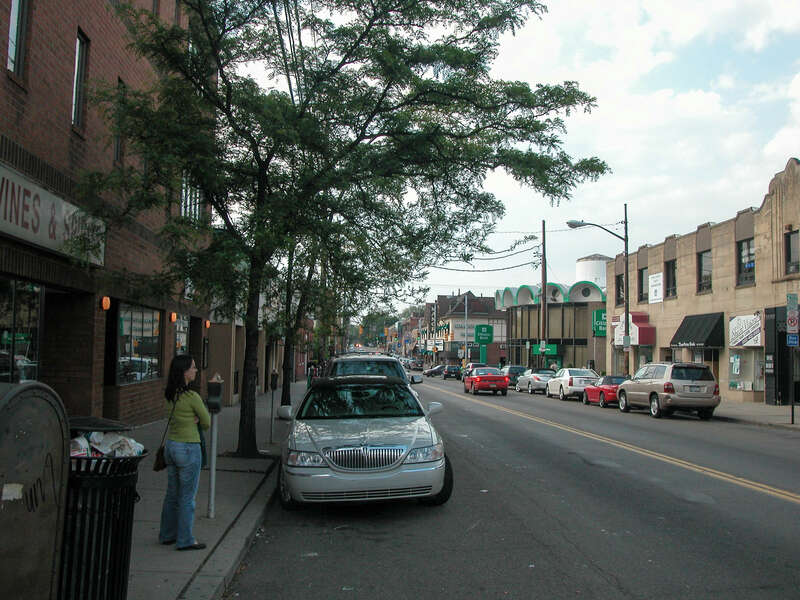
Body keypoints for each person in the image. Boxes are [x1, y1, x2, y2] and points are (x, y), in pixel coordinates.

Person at [158, 354, 210, 551]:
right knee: (187, 497)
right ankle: (185, 539)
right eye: (193, 367)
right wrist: (196, 420)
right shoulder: (192, 397)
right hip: (188, 448)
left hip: (171, 446)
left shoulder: (169, 395)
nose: (196, 370)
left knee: (172, 494)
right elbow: (207, 422)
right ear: (184, 372)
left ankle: (167, 534)